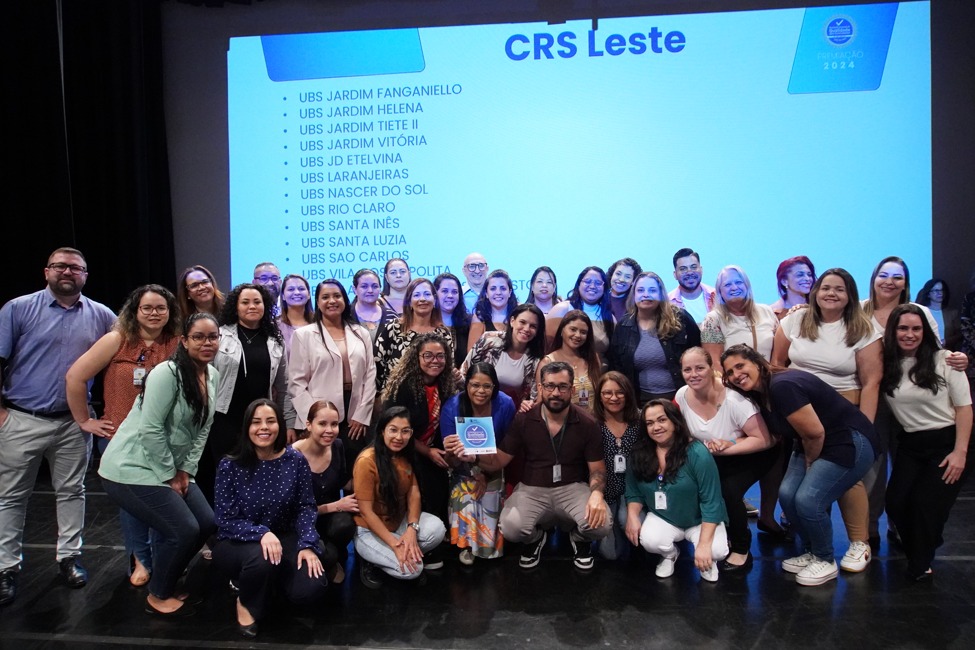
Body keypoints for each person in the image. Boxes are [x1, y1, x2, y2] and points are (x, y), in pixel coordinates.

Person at [0, 247, 116, 605]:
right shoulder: (17, 308)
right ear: (46, 271)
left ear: (85, 275)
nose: (67, 272)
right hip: (21, 418)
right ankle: (6, 567)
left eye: (75, 268)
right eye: (60, 266)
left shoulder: (102, 315)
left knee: (72, 492)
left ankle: (69, 557)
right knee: (11, 497)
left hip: (72, 423)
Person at [722, 344, 880, 586]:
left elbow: (815, 434)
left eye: (740, 366)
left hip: (848, 440)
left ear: (757, 362)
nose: (736, 375)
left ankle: (825, 559)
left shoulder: (782, 386)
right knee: (787, 494)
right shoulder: (758, 394)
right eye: (730, 372)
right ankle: (812, 550)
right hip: (811, 441)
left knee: (809, 499)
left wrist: (810, 463)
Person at [98, 312, 220, 617]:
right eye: (198, 337)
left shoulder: (212, 375)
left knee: (206, 523)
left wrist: (185, 471)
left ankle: (167, 573)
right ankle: (159, 594)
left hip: (171, 467)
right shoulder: (167, 373)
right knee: (184, 529)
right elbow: (150, 429)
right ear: (184, 341)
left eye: (212, 337)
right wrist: (170, 475)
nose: (206, 343)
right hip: (131, 467)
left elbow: (203, 428)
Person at [65, 284, 181, 586]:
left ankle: (161, 558)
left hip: (163, 439)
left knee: (162, 504)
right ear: (135, 311)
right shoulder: (116, 340)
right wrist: (85, 420)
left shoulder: (178, 343)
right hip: (120, 438)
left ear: (170, 312)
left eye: (161, 308)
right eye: (147, 308)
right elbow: (75, 376)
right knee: (134, 505)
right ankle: (139, 559)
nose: (154, 313)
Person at [456, 362, 612, 571]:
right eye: (549, 386)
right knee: (511, 528)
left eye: (563, 386)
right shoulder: (524, 419)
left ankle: (579, 538)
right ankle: (536, 538)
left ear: (572, 390)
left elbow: (597, 470)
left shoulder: (587, 423)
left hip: (572, 488)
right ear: (540, 388)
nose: (555, 393)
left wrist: (597, 495)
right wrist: (474, 457)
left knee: (602, 524)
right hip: (532, 488)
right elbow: (499, 461)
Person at [213, 399, 326, 637]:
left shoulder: (295, 460)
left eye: (270, 421)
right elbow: (225, 519)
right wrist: (261, 533)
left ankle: (267, 582)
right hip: (238, 541)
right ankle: (245, 600)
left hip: (283, 535)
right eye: (256, 422)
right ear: (247, 427)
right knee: (261, 559)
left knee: (310, 588)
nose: (263, 427)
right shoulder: (230, 465)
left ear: (279, 425)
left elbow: (306, 507)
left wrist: (307, 544)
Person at [881, 304, 973, 580]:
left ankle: (920, 563)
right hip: (911, 443)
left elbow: (964, 408)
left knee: (925, 505)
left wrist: (960, 453)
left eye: (916, 328)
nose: (909, 334)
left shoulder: (946, 360)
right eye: (903, 328)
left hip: (947, 441)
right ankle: (925, 544)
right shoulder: (886, 364)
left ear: (925, 331)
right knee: (895, 502)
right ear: (893, 331)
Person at [675, 348, 775, 572]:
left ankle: (741, 547)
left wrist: (728, 446)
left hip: (751, 454)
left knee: (728, 491)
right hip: (712, 457)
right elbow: (685, 432)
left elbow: (763, 439)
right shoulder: (682, 395)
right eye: (687, 370)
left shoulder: (735, 400)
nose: (693, 374)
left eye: (700, 368)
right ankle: (711, 533)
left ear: (711, 369)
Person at [199, 284, 294, 505]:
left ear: (265, 306)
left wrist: (288, 422)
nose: (252, 306)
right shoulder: (220, 335)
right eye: (245, 302)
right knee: (226, 475)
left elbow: (284, 386)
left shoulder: (275, 340)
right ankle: (226, 521)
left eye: (257, 302)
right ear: (236, 306)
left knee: (256, 476)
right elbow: (203, 376)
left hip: (260, 421)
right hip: (224, 418)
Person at [624, 399, 730, 582]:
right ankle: (670, 555)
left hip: (699, 520)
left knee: (717, 551)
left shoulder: (697, 453)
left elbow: (711, 501)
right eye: (650, 423)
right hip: (664, 516)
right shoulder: (638, 453)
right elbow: (634, 491)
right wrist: (632, 516)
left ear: (675, 421)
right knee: (649, 540)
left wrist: (704, 545)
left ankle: (707, 558)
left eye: (662, 420)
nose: (656, 427)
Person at [353, 406, 447, 587]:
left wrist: (412, 529)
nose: (399, 437)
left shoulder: (405, 455)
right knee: (414, 570)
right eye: (393, 430)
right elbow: (366, 512)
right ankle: (370, 560)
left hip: (399, 523)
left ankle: (392, 555)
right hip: (370, 530)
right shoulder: (367, 460)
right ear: (382, 431)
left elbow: (414, 493)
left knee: (437, 529)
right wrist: (395, 545)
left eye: (405, 431)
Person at [288, 279, 375, 468]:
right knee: (322, 471)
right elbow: (296, 383)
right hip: (319, 411)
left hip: (355, 412)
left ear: (344, 299)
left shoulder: (361, 333)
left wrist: (362, 414)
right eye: (325, 297)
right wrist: (315, 418)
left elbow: (370, 375)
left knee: (355, 468)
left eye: (337, 296)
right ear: (317, 302)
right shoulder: (304, 335)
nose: (332, 301)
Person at [440, 363, 516, 564]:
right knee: (467, 492)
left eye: (487, 386)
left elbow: (507, 448)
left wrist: (486, 473)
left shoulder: (506, 404)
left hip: (494, 464)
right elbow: (450, 461)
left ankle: (487, 543)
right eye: (475, 385)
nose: (480, 391)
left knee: (489, 495)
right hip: (461, 469)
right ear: (466, 385)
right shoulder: (452, 407)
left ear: (494, 387)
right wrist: (452, 453)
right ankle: (466, 544)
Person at [381, 333, 457, 532]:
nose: (435, 361)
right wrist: (427, 452)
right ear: (417, 357)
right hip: (403, 451)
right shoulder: (403, 386)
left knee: (439, 492)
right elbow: (394, 432)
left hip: (432, 452)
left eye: (440, 356)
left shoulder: (446, 383)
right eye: (428, 355)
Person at [608, 272, 701, 404]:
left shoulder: (680, 319)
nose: (646, 294)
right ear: (634, 295)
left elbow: (699, 354)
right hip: (640, 402)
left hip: (682, 398)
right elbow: (616, 367)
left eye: (652, 290)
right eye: (640, 290)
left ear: (661, 294)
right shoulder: (624, 326)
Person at [292, 401, 357, 584]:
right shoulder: (293, 456)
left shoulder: (337, 446)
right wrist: (335, 506)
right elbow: (293, 510)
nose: (329, 430)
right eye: (322, 424)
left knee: (345, 524)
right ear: (308, 424)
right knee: (328, 556)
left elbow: (344, 482)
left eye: (334, 424)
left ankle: (334, 555)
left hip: (329, 520)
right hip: (302, 523)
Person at [593, 371, 641, 561]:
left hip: (634, 492)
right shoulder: (592, 424)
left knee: (630, 525)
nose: (614, 398)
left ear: (628, 393)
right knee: (610, 554)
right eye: (607, 393)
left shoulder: (641, 420)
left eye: (620, 392)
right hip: (606, 493)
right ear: (599, 396)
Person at [374, 278, 454, 392]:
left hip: (434, 397)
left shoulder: (443, 333)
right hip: (395, 396)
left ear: (435, 300)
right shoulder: (394, 328)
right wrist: (378, 395)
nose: (422, 299)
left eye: (427, 294)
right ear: (409, 301)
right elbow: (377, 363)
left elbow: (448, 369)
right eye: (416, 295)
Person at [462, 303, 546, 410]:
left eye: (533, 326)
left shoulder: (536, 358)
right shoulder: (488, 340)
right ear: (512, 321)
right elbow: (465, 372)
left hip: (511, 411)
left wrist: (528, 404)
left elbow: (533, 397)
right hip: (475, 405)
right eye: (522, 322)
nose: (526, 329)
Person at [700, 265, 779, 375]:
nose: (734, 287)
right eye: (727, 285)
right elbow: (714, 364)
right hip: (735, 382)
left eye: (738, 282)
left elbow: (778, 355)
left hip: (770, 379)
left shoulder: (767, 311)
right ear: (719, 291)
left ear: (747, 285)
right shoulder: (712, 320)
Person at [537, 310, 602, 412]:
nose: (578, 335)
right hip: (561, 419)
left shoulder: (593, 359)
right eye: (573, 329)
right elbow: (541, 401)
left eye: (583, 332)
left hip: (592, 420)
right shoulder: (547, 362)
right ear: (562, 330)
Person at [547, 266, 615, 363]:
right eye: (587, 281)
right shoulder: (561, 310)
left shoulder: (610, 317)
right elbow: (548, 346)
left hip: (599, 371)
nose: (592, 286)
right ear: (579, 284)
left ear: (604, 288)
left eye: (598, 283)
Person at [467, 269, 519, 350]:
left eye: (503, 288)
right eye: (493, 289)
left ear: (510, 292)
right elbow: (471, 353)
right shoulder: (479, 318)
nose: (498, 292)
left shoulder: (520, 314)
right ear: (486, 293)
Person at [668, 248, 716, 325]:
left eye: (693, 267)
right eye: (683, 269)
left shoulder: (716, 296)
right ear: (675, 274)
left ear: (701, 270)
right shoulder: (667, 303)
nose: (689, 272)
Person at [435, 272, 471, 365]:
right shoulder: (426, 322)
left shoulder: (469, 323)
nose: (450, 296)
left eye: (454, 292)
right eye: (444, 291)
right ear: (435, 294)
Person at [350, 268, 397, 339]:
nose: (370, 290)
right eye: (364, 286)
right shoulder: (346, 315)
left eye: (375, 286)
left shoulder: (392, 316)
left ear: (380, 289)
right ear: (355, 289)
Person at [277, 274, 313, 360]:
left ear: (309, 294)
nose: (297, 293)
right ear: (283, 296)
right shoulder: (274, 326)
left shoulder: (320, 323)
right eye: (291, 289)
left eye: (301, 289)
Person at [916, 278, 959, 348]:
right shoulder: (921, 312)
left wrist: (946, 341)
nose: (940, 293)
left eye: (942, 290)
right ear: (928, 294)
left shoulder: (952, 313)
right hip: (925, 350)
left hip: (947, 351)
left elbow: (959, 334)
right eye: (936, 290)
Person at [770, 256, 816, 320]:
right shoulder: (772, 313)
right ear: (784, 281)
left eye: (809, 274)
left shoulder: (818, 308)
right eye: (800, 275)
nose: (807, 279)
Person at [606, 257, 642, 322]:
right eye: (618, 274)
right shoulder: (599, 298)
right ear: (612, 274)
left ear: (633, 281)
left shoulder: (636, 304)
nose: (621, 279)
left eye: (627, 277)